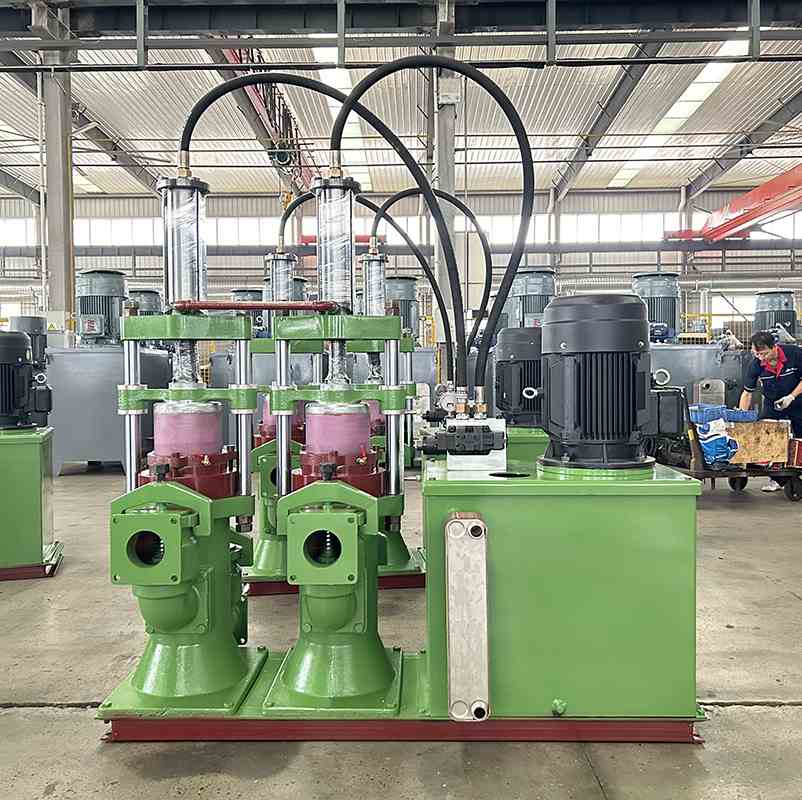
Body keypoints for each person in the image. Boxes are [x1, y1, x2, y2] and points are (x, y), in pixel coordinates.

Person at [739, 330, 802, 492]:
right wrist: (741, 417)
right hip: (773, 404)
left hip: (797, 400)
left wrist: (791, 397)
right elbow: (747, 393)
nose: (761, 357)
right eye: (757, 354)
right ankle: (778, 479)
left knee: (800, 437)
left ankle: (798, 473)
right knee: (767, 434)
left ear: (774, 347)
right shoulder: (755, 364)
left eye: (764, 353)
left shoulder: (795, 354)